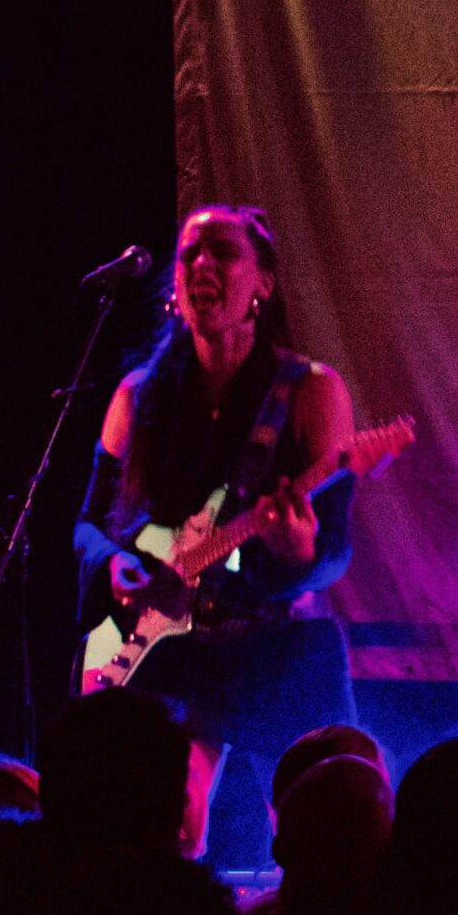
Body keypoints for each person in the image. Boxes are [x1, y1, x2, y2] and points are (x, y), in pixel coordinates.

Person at [71, 205, 359, 853]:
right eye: (190, 253)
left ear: (263, 283)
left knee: (323, 834)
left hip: (274, 645)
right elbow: (87, 527)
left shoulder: (311, 391)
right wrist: (113, 567)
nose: (202, 265)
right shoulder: (138, 396)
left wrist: (301, 550)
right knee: (162, 833)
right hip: (166, 644)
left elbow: (336, 549)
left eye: (222, 253)